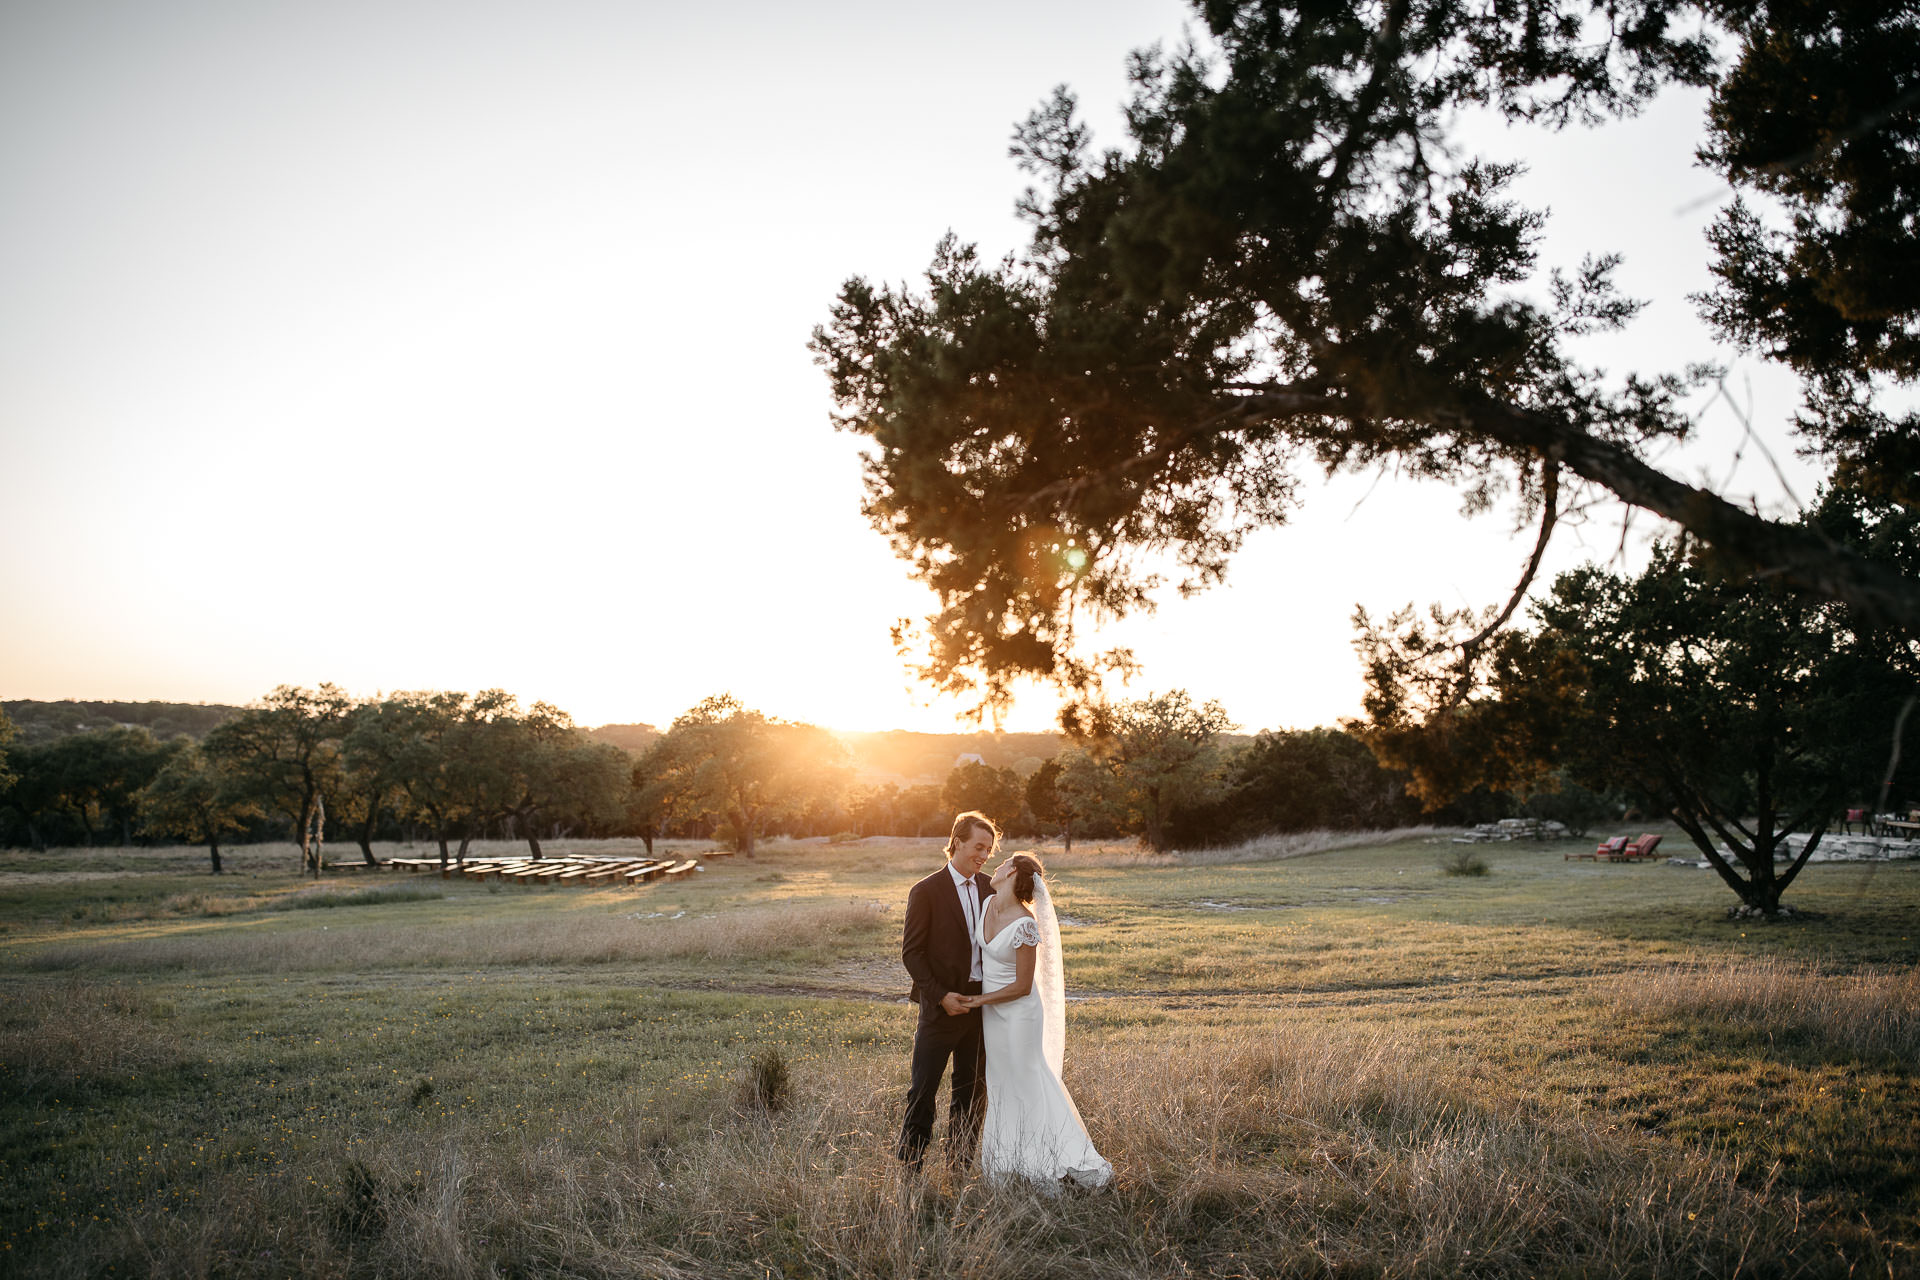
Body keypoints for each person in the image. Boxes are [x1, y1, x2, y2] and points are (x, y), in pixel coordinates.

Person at [962, 852, 1111, 1189]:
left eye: (1002, 864)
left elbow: (1022, 986)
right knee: (1000, 1083)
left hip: (1020, 1014)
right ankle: (1006, 1162)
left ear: (1012, 872)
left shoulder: (1025, 924)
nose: (996, 866)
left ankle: (1045, 1162)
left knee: (1027, 1081)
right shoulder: (987, 905)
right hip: (992, 1014)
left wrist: (978, 1000)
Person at [896, 811, 998, 1171]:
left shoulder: (992, 888)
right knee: (923, 1090)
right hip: (940, 1008)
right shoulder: (926, 890)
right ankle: (910, 1169)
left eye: (989, 850)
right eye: (978, 847)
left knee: (972, 1093)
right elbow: (912, 954)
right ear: (957, 843)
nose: (984, 856)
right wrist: (941, 996)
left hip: (981, 1006)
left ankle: (959, 1167)